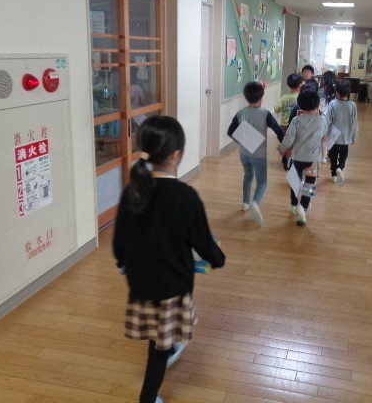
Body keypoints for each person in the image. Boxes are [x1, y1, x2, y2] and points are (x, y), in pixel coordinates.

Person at [113, 116, 226, 403]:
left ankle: (170, 344)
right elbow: (202, 242)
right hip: (172, 287)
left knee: (159, 332)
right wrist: (218, 258)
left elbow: (118, 246)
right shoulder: (185, 196)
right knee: (158, 349)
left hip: (141, 284)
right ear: (176, 155)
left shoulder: (131, 192)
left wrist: (126, 263)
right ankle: (148, 398)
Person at [228, 81, 284, 225]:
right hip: (259, 155)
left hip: (244, 153)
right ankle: (255, 203)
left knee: (248, 176)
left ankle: (245, 203)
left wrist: (244, 141)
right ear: (261, 97)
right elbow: (278, 131)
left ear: (246, 97)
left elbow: (230, 131)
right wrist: (285, 146)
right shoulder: (265, 113)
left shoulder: (241, 113)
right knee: (262, 181)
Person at [278, 89, 328, 226]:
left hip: (297, 158)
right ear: (317, 104)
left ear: (300, 105)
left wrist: (282, 149)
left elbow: (288, 138)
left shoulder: (296, 120)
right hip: (312, 160)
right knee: (309, 184)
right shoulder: (322, 121)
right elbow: (325, 136)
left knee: (295, 182)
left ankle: (294, 205)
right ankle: (303, 208)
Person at [326, 79, 358, 185]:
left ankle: (334, 174)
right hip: (346, 133)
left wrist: (324, 133)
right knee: (343, 154)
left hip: (333, 134)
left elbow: (327, 120)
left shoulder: (333, 104)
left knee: (333, 155)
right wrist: (354, 136)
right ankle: (340, 167)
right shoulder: (352, 105)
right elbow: (354, 122)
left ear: (337, 92)